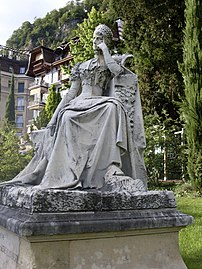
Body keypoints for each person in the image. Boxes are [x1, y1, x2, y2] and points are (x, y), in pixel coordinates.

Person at [4, 24, 147, 190]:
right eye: (94, 38)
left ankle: (110, 167)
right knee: (67, 116)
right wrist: (53, 117)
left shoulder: (109, 63)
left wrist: (105, 51)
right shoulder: (81, 65)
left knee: (112, 107)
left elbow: (117, 72)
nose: (95, 41)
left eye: (99, 38)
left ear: (106, 42)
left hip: (99, 101)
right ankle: (71, 170)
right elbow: (71, 94)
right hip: (80, 102)